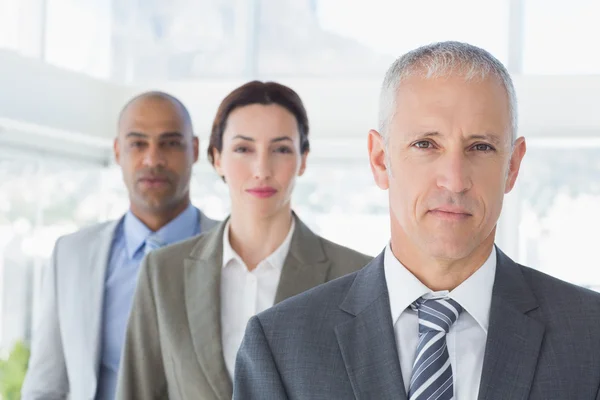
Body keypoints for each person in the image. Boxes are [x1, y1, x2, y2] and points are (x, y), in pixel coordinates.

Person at [234, 42, 600, 400]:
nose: (455, 180)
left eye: (481, 147)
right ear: (380, 160)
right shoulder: (281, 345)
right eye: (426, 144)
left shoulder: (590, 337)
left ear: (513, 166)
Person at [115, 80, 372, 400]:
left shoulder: (357, 276)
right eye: (243, 149)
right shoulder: (163, 271)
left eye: (280, 149)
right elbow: (137, 392)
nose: (261, 169)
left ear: (303, 159)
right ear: (216, 157)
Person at [21, 91, 219, 400]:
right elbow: (45, 385)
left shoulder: (233, 251)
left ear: (194, 150)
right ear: (117, 151)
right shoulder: (72, 255)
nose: (153, 159)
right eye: (138, 144)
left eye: (169, 143)